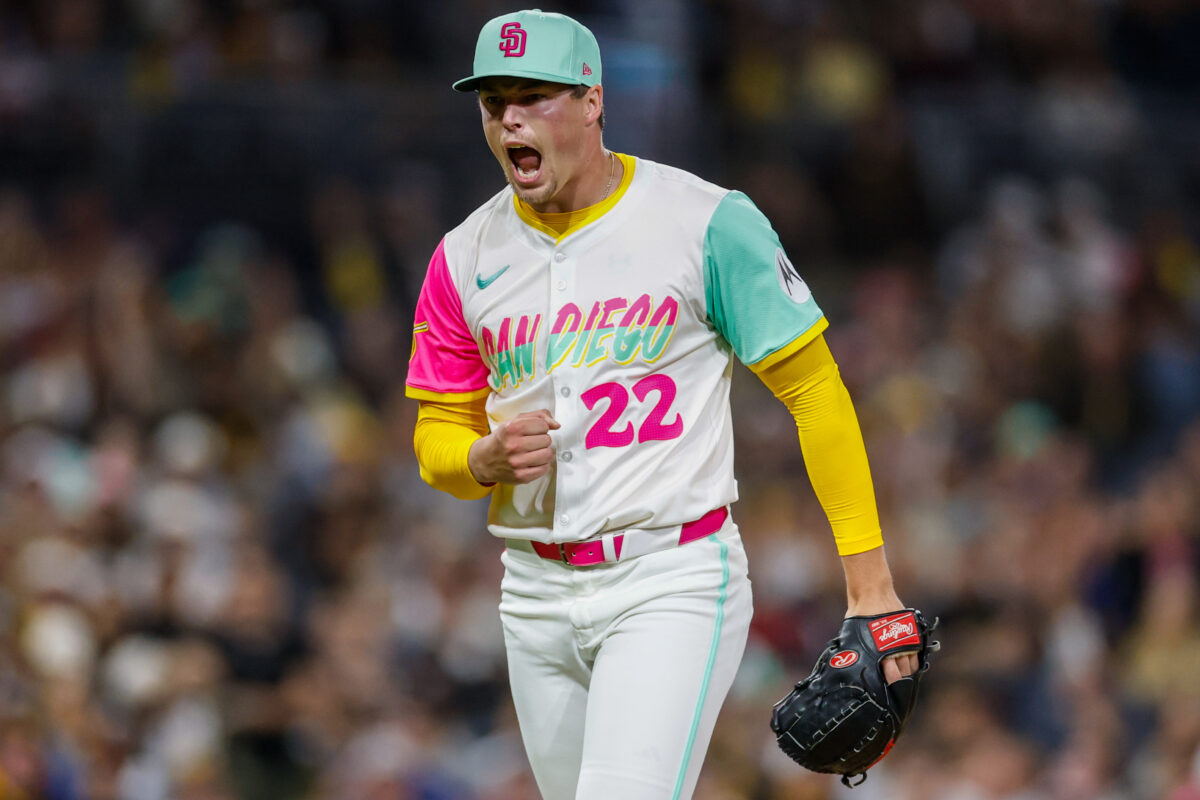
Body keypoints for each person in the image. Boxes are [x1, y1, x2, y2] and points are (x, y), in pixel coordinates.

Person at [405, 10, 916, 799]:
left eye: (534, 94)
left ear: (591, 101)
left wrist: (870, 583)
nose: (509, 117)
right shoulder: (461, 256)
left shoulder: (704, 222)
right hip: (533, 591)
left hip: (670, 575)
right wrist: (478, 458)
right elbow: (437, 434)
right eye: (492, 100)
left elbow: (815, 391)